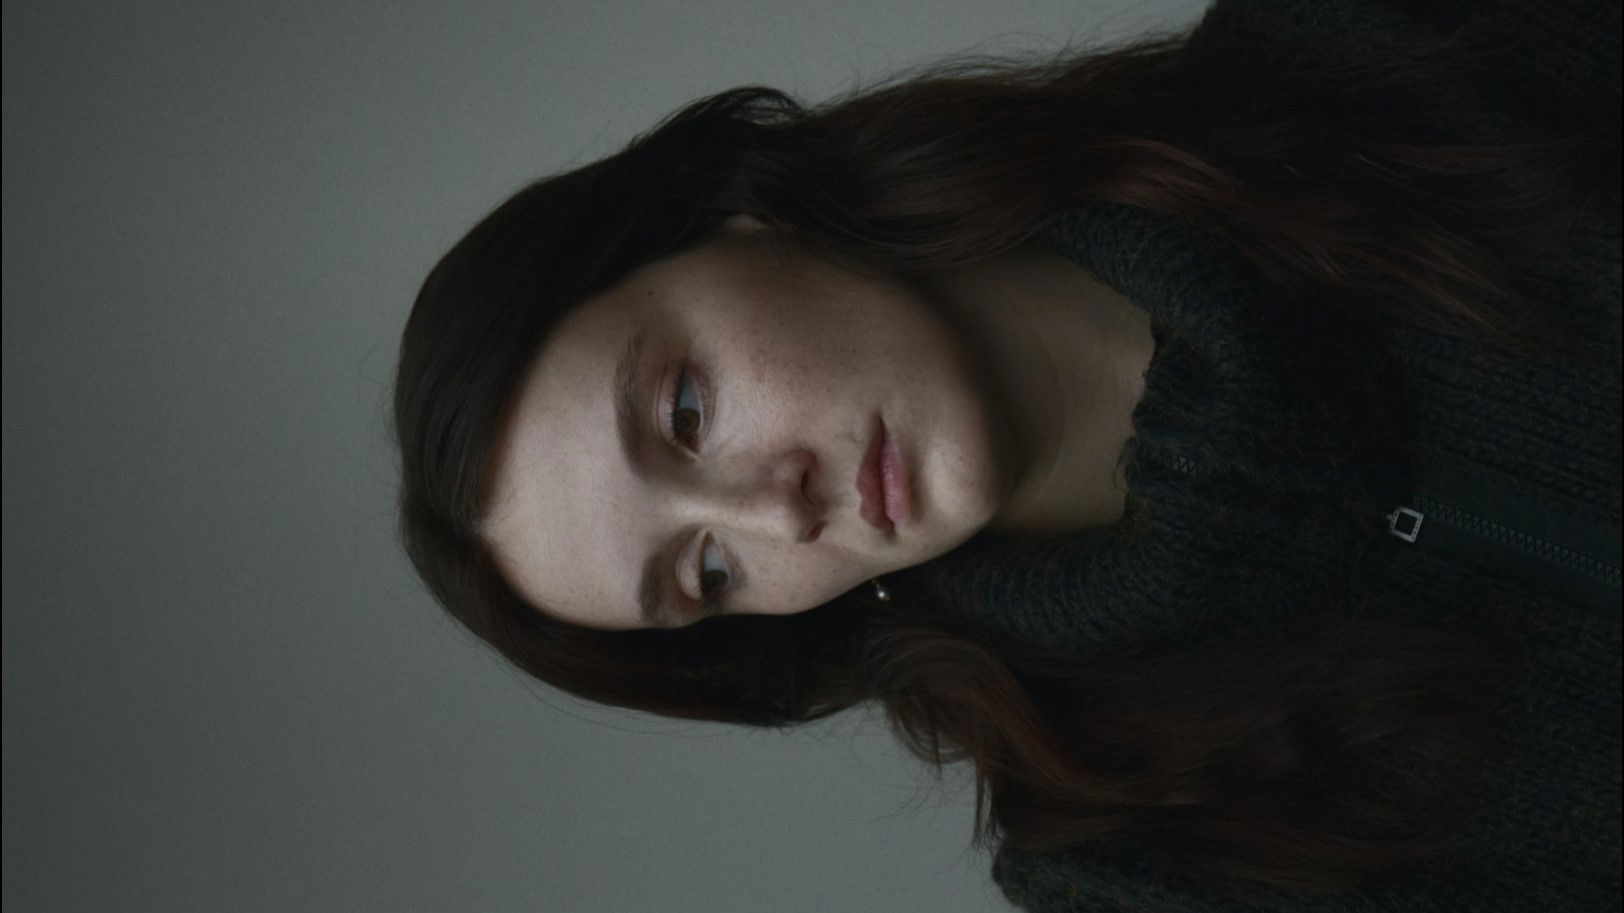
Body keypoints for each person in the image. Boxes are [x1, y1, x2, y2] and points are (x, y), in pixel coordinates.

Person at [392, 0, 1621, 907]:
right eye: (706, 572)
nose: (779, 513)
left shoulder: (1363, 44)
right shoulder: (1139, 864)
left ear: (735, 218)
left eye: (685, 413)